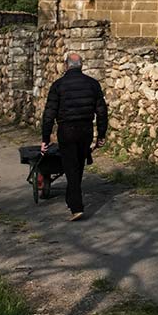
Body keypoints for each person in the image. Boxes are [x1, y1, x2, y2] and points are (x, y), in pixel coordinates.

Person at [41, 51, 108, 220]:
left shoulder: (58, 86)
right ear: (82, 66)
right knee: (78, 165)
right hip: (85, 130)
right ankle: (72, 200)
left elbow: (49, 113)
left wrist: (45, 138)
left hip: (67, 130)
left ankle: (76, 206)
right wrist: (101, 134)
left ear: (66, 65)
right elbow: (101, 111)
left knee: (71, 167)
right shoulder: (92, 84)